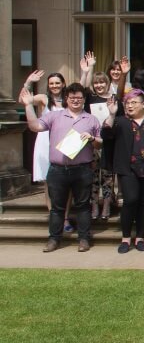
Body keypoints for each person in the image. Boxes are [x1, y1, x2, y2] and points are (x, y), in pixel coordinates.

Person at [20, 83, 102, 253]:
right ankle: (54, 239)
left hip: (82, 169)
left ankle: (84, 239)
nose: (76, 101)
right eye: (72, 98)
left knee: (83, 206)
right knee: (57, 207)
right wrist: (28, 105)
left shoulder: (91, 119)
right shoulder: (55, 116)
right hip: (57, 169)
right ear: (66, 99)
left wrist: (92, 137)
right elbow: (34, 126)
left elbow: (99, 145)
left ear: (84, 99)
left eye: (79, 98)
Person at [102, 89, 144, 254]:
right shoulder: (120, 122)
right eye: (127, 103)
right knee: (130, 200)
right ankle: (126, 238)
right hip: (127, 169)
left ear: (143, 104)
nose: (130, 106)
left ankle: (140, 237)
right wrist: (112, 114)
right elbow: (105, 134)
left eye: (133, 102)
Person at [23, 71, 65, 219]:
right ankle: (52, 213)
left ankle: (64, 216)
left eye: (57, 83)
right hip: (45, 139)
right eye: (52, 83)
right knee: (49, 180)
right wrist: (28, 82)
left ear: (63, 84)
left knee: (65, 178)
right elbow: (24, 100)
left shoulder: (68, 99)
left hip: (64, 140)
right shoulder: (44, 98)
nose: (54, 86)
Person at [84, 71, 117, 220]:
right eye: (96, 83)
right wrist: (87, 70)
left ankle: (107, 204)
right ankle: (95, 204)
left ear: (107, 83)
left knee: (108, 176)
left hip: (109, 143)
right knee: (94, 176)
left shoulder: (113, 99)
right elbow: (83, 87)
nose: (99, 85)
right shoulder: (90, 98)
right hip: (92, 142)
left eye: (102, 82)